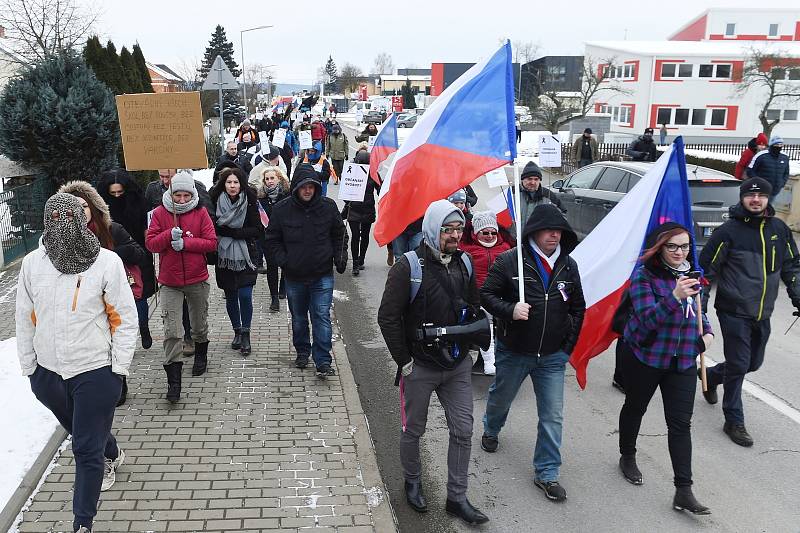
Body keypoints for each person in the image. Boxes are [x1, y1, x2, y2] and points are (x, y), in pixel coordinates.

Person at [16, 192, 137, 533]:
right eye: (53, 219)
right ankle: (109, 448)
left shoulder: (106, 263)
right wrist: (31, 370)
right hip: (49, 373)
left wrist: (118, 370)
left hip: (95, 370)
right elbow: (24, 318)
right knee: (86, 432)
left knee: (85, 449)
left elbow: (124, 319)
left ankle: (82, 522)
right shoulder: (32, 264)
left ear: (83, 220)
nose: (60, 225)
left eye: (66, 217)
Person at [377, 200, 489, 526]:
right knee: (413, 430)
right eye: (447, 230)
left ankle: (457, 497)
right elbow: (388, 317)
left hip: (456, 366)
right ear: (432, 230)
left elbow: (473, 306)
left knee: (464, 430)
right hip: (420, 366)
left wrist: (469, 351)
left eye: (458, 229)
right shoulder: (408, 268)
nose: (454, 235)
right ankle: (412, 481)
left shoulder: (464, 263)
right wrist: (404, 361)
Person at [479, 204, 585, 503]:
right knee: (501, 397)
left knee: (552, 416)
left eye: (560, 231)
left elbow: (578, 307)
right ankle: (491, 427)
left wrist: (567, 348)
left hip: (552, 357)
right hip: (515, 351)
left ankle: (547, 473)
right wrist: (510, 310)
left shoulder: (568, 265)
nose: (555, 235)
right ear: (533, 231)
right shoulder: (511, 261)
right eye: (549, 230)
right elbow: (486, 295)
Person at [618, 222, 713, 515]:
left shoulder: (692, 274)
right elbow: (646, 320)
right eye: (672, 246)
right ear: (660, 248)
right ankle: (627, 456)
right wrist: (674, 297)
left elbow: (698, 313)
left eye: (684, 246)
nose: (679, 252)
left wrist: (707, 332)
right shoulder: (644, 276)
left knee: (680, 425)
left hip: (683, 360)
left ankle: (683, 490)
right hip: (647, 356)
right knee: (635, 407)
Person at [699, 177, 800, 446]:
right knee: (740, 364)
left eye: (761, 196)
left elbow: (792, 267)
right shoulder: (728, 231)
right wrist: (701, 305)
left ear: (768, 199)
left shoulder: (779, 229)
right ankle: (733, 420)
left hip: (762, 312)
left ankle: (711, 375)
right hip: (733, 309)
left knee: (752, 363)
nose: (755, 200)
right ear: (742, 198)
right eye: (750, 195)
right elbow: (705, 271)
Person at [59, 180, 145, 407]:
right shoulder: (58, 242)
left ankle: (119, 381)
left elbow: (139, 253)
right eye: (72, 207)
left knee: (113, 342)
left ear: (93, 208)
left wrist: (111, 255)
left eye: (84, 207)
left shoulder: (111, 230)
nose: (79, 212)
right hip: (79, 304)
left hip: (111, 300)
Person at [264, 163, 348, 378]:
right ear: (296, 188)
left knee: (321, 316)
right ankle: (303, 351)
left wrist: (339, 257)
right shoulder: (282, 209)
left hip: (321, 275)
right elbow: (272, 240)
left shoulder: (328, 207)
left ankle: (323, 360)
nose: (308, 190)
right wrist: (285, 261)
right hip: (294, 276)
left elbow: (340, 234)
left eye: (311, 186)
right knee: (299, 317)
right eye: (303, 187)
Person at [145, 172, 217, 403]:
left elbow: (211, 242)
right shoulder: (159, 213)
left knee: (198, 324)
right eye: (178, 195)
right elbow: (151, 243)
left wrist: (186, 242)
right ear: (170, 193)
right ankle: (173, 381)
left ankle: (201, 355)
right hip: (170, 282)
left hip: (197, 279)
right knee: (173, 331)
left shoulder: (201, 212)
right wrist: (168, 235)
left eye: (187, 195)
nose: (182, 200)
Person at [97, 170, 157, 353]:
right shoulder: (101, 207)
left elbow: (147, 227)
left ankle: (144, 327)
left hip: (138, 254)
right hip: (110, 257)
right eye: (112, 193)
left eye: (120, 192)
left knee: (140, 295)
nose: (116, 196)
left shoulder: (140, 203)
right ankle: (123, 337)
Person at [210, 168, 263, 357]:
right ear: (224, 184)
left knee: (245, 295)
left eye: (236, 182)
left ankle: (247, 333)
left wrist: (234, 233)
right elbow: (212, 225)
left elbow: (258, 230)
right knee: (231, 295)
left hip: (246, 254)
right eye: (229, 182)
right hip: (224, 256)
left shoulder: (250, 202)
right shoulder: (215, 202)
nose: (232, 186)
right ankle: (237, 331)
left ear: (242, 184)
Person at [460, 211, 512, 376]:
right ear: (476, 233)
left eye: (493, 232)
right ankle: (489, 360)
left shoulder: (506, 248)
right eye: (485, 233)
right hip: (478, 295)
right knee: (485, 318)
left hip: (502, 293)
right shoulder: (466, 249)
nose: (489, 236)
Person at [256, 165, 290, 310]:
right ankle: (274, 298)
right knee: (271, 266)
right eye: (267, 179)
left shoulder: (288, 195)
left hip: (286, 237)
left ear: (279, 179)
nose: (270, 181)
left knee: (286, 263)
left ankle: (283, 285)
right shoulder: (260, 199)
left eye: (272, 178)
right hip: (268, 238)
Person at [343, 145, 377, 276]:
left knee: (365, 236)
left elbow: (380, 188)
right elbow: (345, 192)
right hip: (354, 209)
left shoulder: (373, 173)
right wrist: (349, 200)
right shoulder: (351, 172)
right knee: (355, 236)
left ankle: (361, 258)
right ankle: (355, 263)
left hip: (367, 209)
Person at [512, 161, 564, 233]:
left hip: (537, 241)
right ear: (523, 179)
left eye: (536, 179)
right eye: (529, 179)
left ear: (540, 180)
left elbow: (562, 217)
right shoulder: (512, 193)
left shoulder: (548, 195)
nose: (533, 182)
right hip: (513, 241)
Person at [747, 135, 790, 199]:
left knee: (769, 208)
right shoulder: (761, 155)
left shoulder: (785, 157)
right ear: (771, 145)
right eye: (776, 144)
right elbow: (750, 170)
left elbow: (786, 173)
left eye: (781, 145)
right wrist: (759, 182)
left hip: (775, 190)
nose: (779, 147)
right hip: (761, 190)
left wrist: (782, 183)